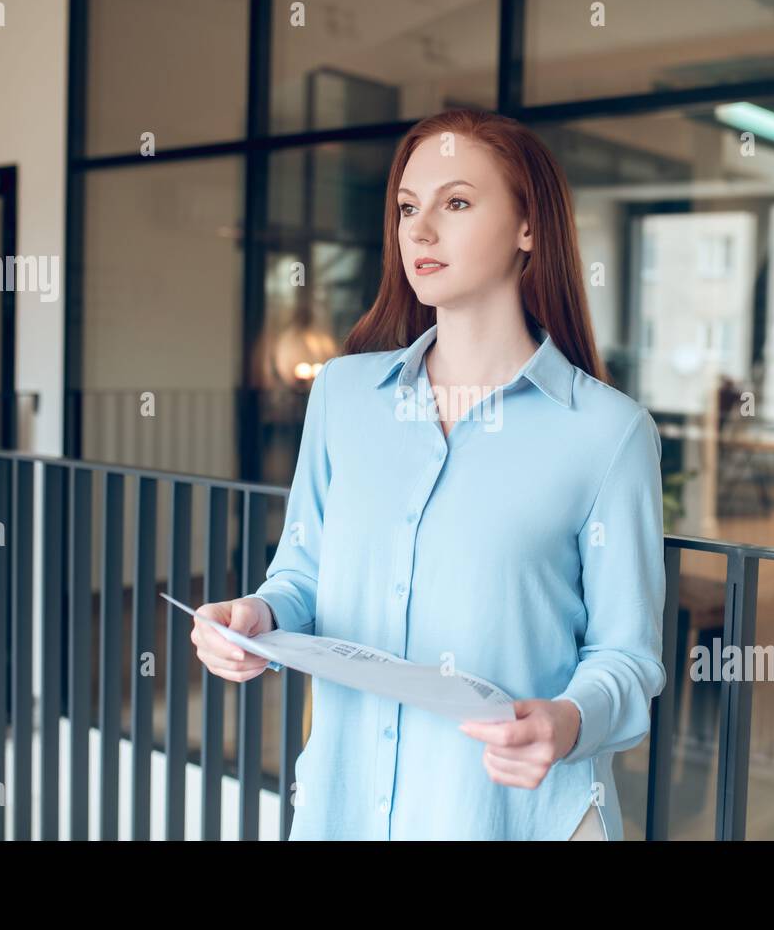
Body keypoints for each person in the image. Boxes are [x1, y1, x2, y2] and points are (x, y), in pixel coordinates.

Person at [191, 108, 666, 840]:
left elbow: (627, 657)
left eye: (457, 203)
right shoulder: (345, 396)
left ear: (528, 227)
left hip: (513, 819)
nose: (418, 230)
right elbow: (304, 573)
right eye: (409, 207)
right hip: (341, 808)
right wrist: (261, 616)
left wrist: (569, 722)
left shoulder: (607, 433)